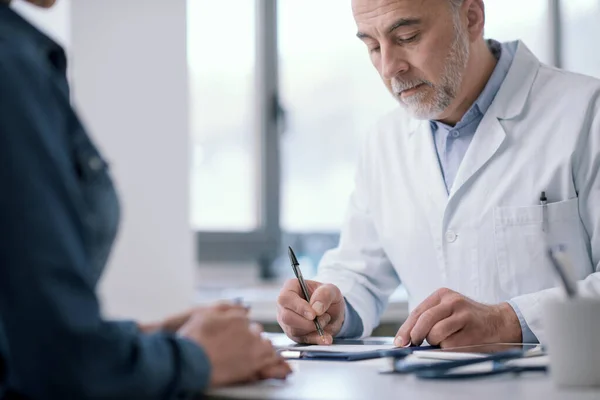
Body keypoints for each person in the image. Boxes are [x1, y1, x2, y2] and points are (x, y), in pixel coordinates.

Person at [0, 0, 291, 398]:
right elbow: (59, 365)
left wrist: (147, 340)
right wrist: (195, 357)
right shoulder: (12, 66)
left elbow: (22, 336)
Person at [277, 0, 600, 348]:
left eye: (407, 36)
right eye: (372, 46)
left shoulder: (586, 112)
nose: (388, 67)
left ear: (471, 18)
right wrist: (330, 308)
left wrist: (509, 321)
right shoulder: (385, 142)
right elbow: (360, 274)